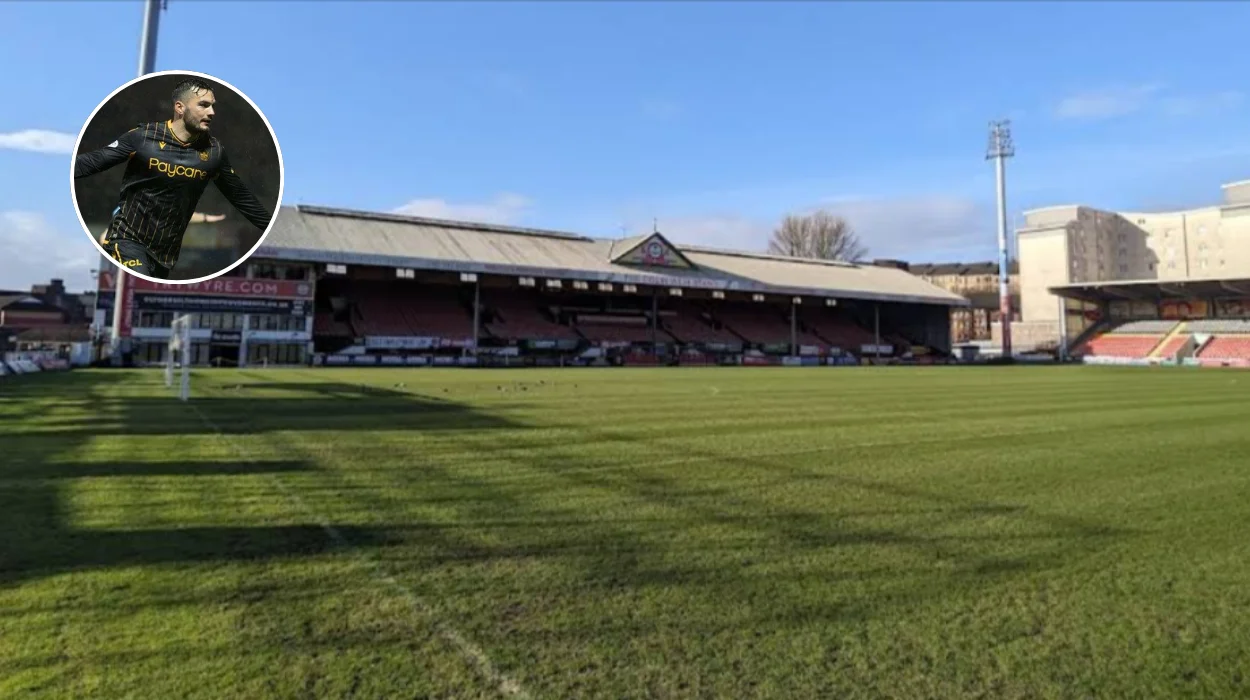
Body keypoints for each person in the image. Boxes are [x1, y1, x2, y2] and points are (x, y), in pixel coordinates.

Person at [75, 77, 272, 279]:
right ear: (180, 107)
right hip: (127, 240)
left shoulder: (214, 152)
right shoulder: (142, 137)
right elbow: (89, 162)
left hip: (164, 255)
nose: (211, 112)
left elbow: (242, 198)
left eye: (212, 106)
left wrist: (271, 229)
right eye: (203, 105)